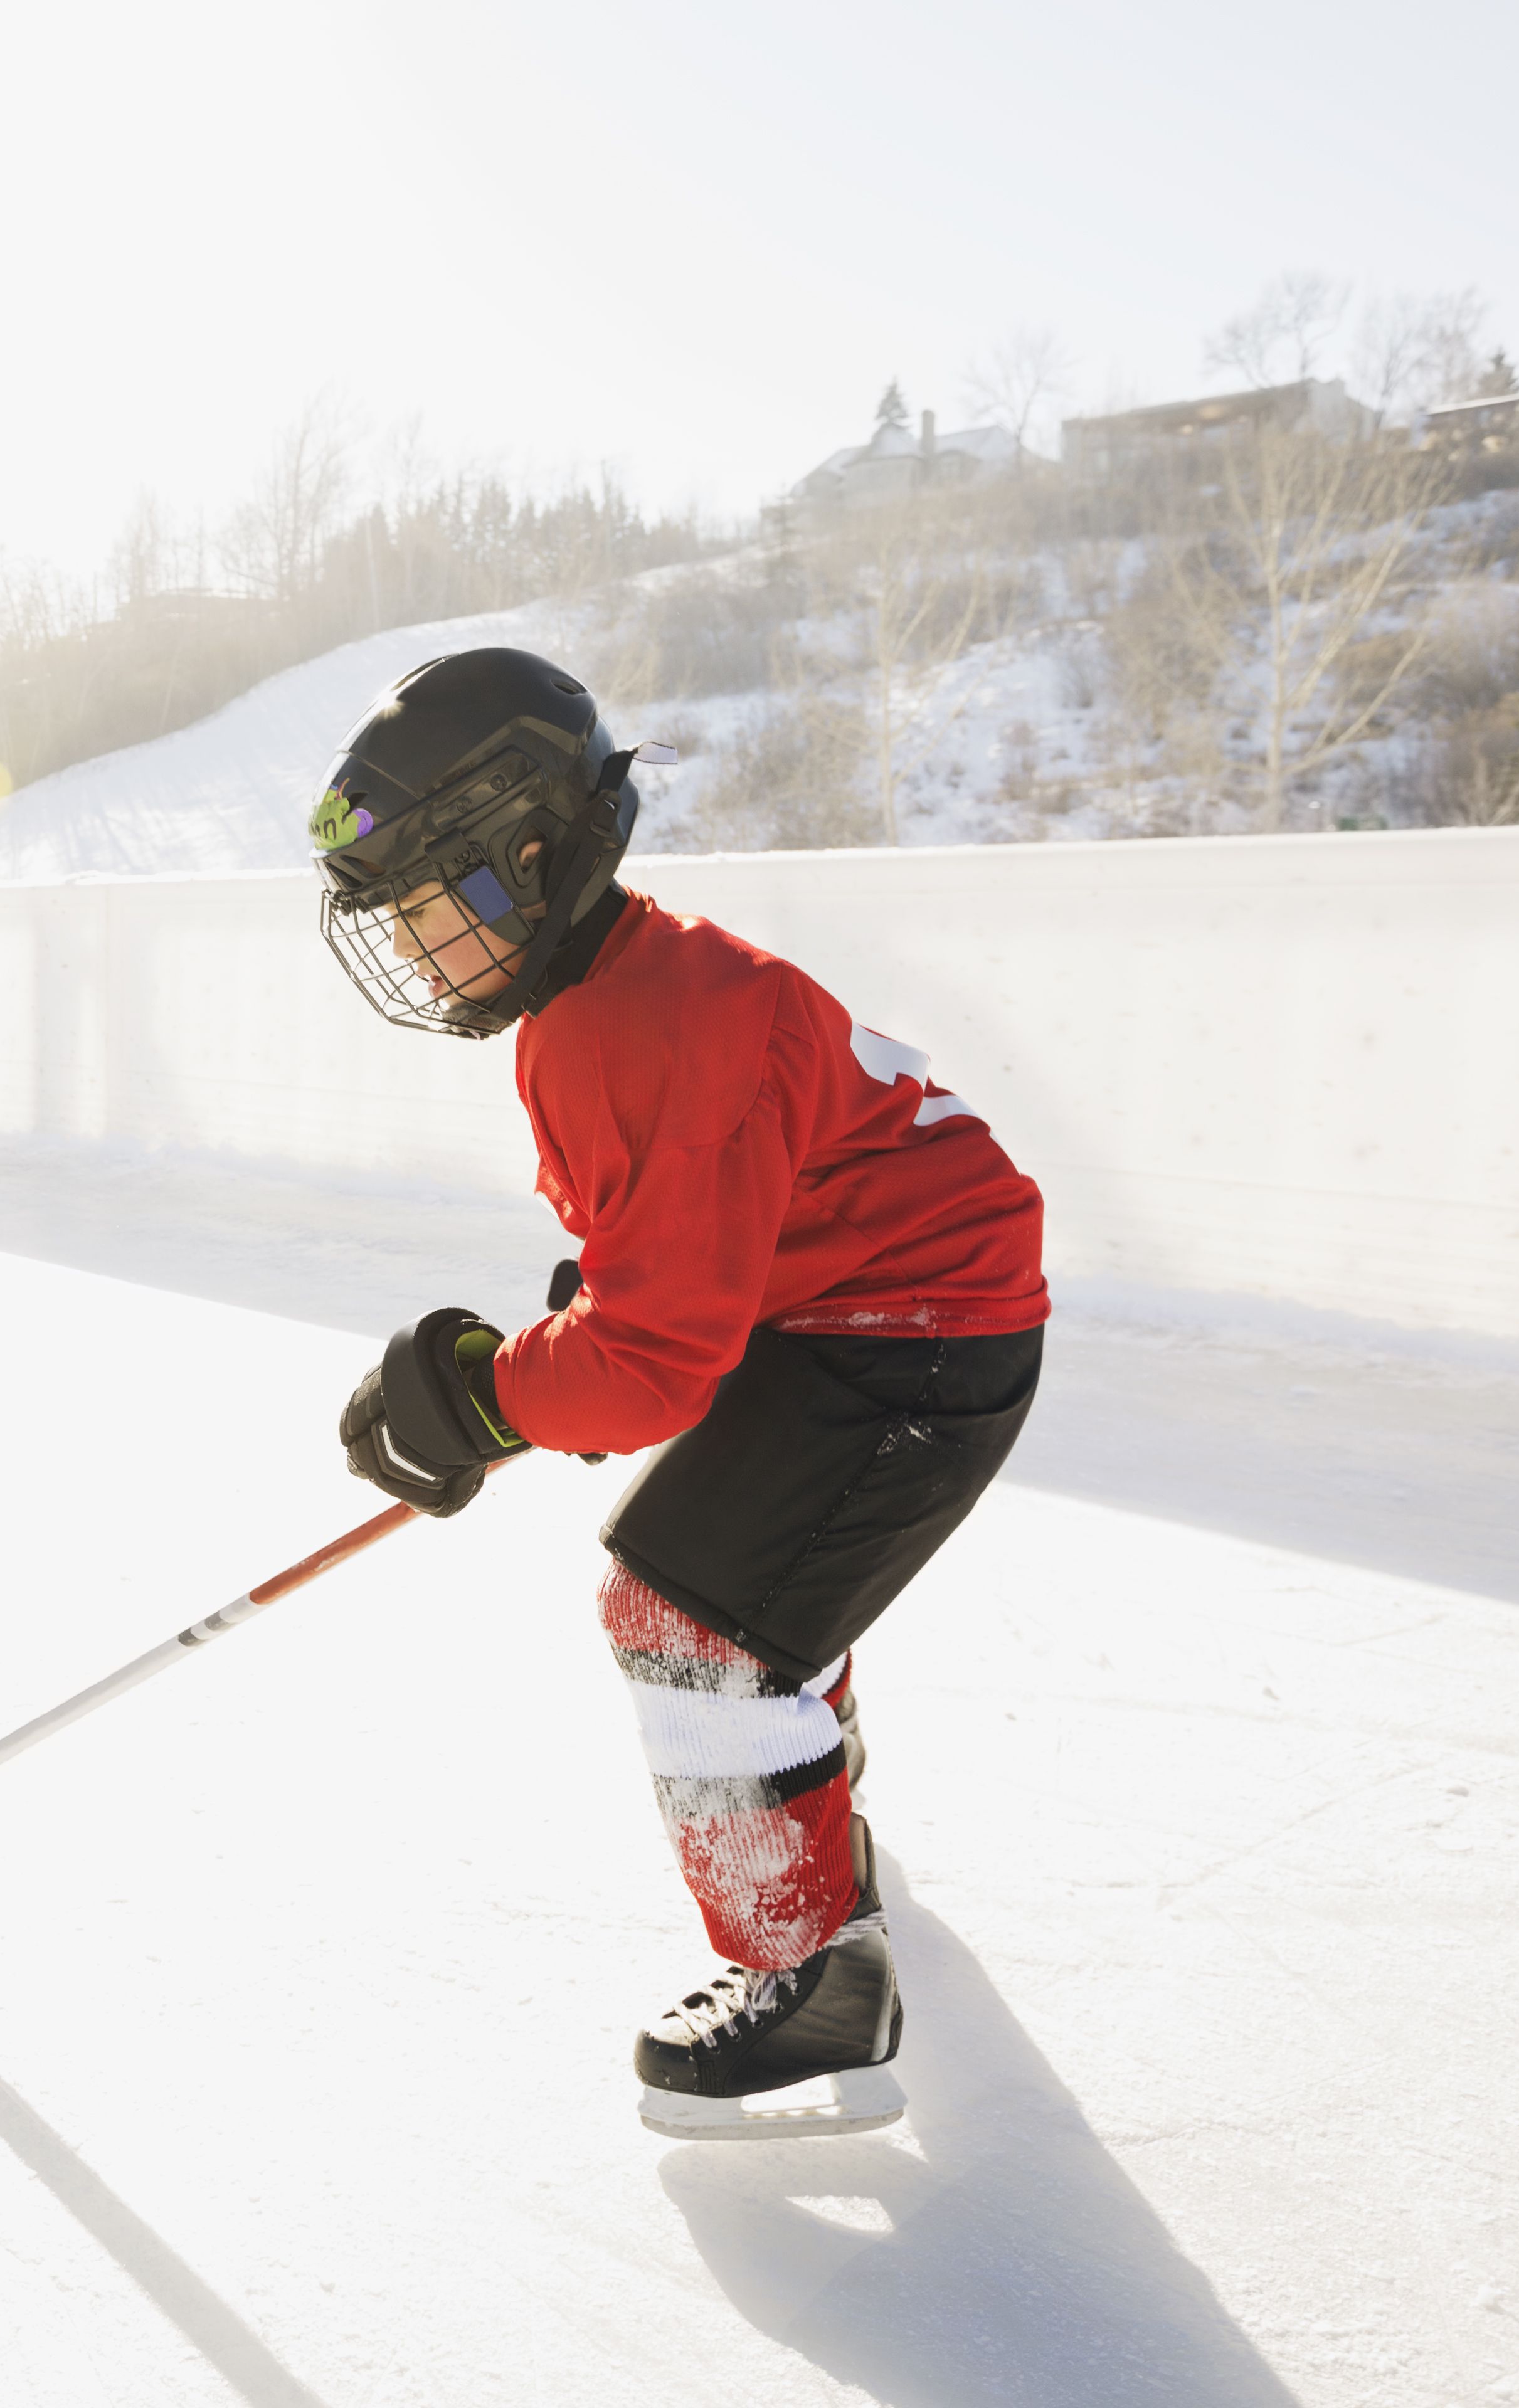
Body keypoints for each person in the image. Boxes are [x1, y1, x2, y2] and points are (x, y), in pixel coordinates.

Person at [314, 648, 1047, 2133]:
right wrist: (542, 1361)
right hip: (856, 1311)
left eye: (430, 900)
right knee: (740, 1578)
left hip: (916, 1339)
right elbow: (675, 1252)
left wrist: (494, 1395)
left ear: (536, 855)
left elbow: (654, 1364)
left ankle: (811, 1969)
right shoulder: (612, 992)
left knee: (693, 1616)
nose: (415, 943)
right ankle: (809, 1807)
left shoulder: (644, 1024)